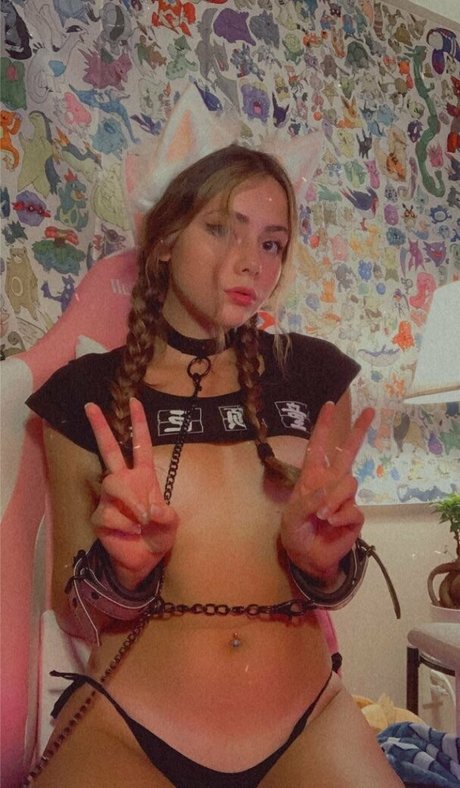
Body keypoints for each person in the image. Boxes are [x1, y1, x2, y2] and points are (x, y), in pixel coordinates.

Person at [26, 142, 402, 786]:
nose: (251, 261)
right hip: (128, 727)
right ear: (166, 240)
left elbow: (334, 579)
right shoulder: (83, 393)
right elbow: (72, 610)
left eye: (271, 243)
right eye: (223, 227)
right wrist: (124, 575)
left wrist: (321, 564)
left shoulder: (315, 375)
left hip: (306, 722)